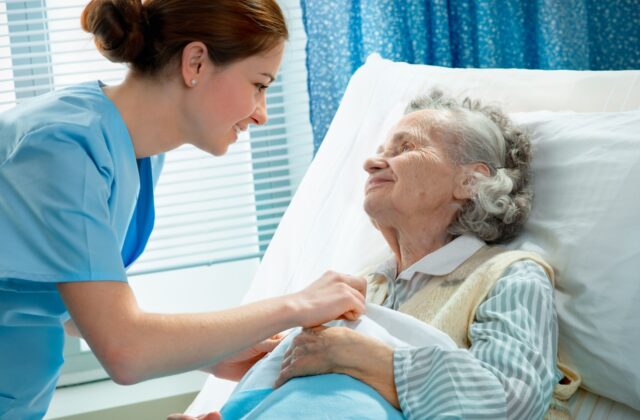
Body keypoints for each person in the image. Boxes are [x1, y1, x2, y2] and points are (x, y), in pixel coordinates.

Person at [0, 1, 366, 419]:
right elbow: (125, 351)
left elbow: (58, 298)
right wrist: (296, 305)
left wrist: (210, 355)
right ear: (195, 62)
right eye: (259, 85)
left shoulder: (131, 150)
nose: (262, 115)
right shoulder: (64, 149)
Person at [198, 90, 579, 419]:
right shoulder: (365, 286)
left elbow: (510, 402)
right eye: (382, 150)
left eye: (405, 148)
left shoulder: (510, 276)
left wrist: (362, 356)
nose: (371, 162)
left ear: (471, 180)